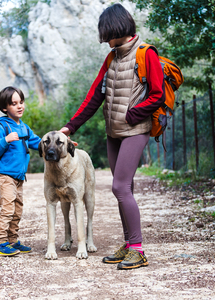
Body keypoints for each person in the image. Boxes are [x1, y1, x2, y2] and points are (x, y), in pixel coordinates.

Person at [60, 3, 164, 270]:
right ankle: (129, 244)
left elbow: (157, 94)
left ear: (118, 28)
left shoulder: (146, 54)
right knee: (124, 190)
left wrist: (133, 114)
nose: (104, 39)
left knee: (119, 187)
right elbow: (94, 97)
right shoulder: (112, 58)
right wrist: (70, 128)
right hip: (114, 132)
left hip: (135, 130)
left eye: (106, 34)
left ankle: (138, 250)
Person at [0, 86, 41, 256]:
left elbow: (39, 143)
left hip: (19, 177)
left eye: (21, 102)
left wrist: (58, 140)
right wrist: (5, 139)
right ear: (5, 108)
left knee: (18, 209)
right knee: (8, 208)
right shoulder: (2, 126)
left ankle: (12, 241)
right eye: (14, 103)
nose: (20, 106)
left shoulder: (24, 127)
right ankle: (0, 243)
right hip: (4, 175)